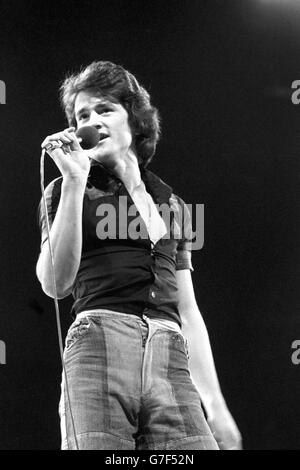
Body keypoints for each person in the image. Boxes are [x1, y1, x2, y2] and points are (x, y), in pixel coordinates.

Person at [36, 61, 242, 450]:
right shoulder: (64, 190)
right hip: (100, 344)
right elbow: (54, 284)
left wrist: (216, 405)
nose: (91, 120)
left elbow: (188, 309)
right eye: (82, 115)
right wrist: (74, 181)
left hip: (170, 353)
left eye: (104, 109)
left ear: (134, 120)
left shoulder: (173, 203)